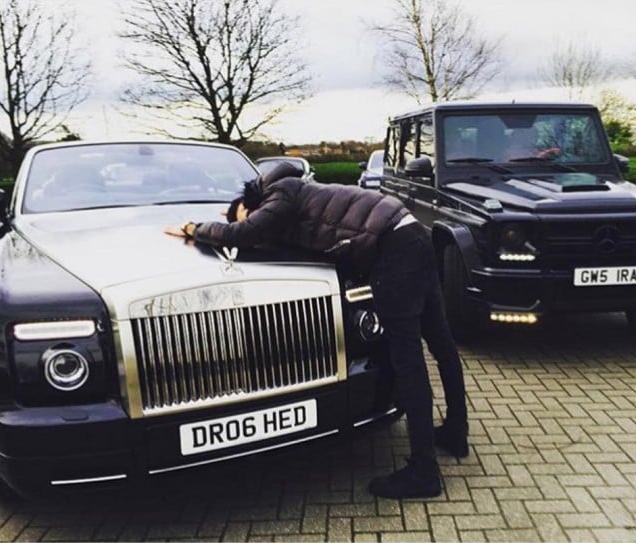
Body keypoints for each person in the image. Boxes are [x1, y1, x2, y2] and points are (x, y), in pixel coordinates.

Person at [165, 162, 469, 500]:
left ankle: (424, 472)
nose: (248, 220)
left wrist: (195, 228)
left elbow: (243, 234)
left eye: (243, 214)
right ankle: (456, 432)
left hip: (393, 250)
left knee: (408, 361)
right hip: (412, 235)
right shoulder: (296, 192)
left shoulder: (280, 192)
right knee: (441, 343)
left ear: (251, 202)